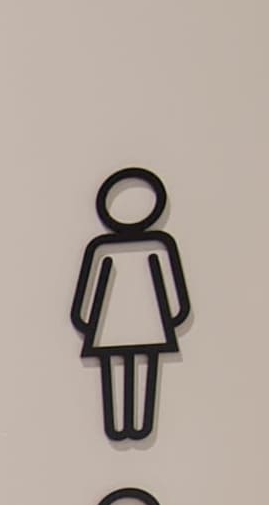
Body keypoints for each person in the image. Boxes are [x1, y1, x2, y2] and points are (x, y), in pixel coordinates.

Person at [70, 167, 191, 442]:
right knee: (115, 375)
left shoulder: (156, 244)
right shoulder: (106, 247)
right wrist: (85, 322)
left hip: (128, 325)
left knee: (143, 371)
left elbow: (176, 294)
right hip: (112, 323)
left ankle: (138, 426)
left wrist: (173, 318)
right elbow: (86, 291)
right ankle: (122, 426)